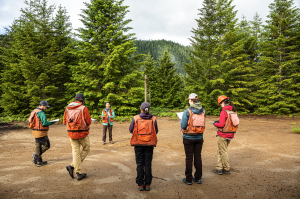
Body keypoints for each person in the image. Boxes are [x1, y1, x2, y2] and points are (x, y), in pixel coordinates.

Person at [129, 102, 158, 191]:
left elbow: (131, 130)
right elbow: (155, 131)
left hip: (138, 143)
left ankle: (140, 184)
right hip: (149, 144)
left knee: (139, 164)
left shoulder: (136, 118)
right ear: (149, 109)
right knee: (148, 163)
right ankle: (148, 184)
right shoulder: (153, 119)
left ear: (141, 109)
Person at [63, 93, 91, 181]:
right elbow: (89, 121)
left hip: (71, 133)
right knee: (86, 149)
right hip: (82, 133)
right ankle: (73, 167)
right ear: (83, 100)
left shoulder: (67, 108)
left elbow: (64, 122)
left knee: (76, 152)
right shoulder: (84, 108)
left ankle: (78, 172)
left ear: (75, 99)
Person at [181, 93, 205, 185]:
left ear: (191, 101)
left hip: (188, 138)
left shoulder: (187, 111)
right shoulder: (203, 111)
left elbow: (183, 125)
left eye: (189, 100)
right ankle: (198, 178)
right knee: (198, 157)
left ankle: (188, 179)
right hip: (199, 137)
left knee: (189, 158)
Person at [213, 95, 238, 175]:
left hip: (223, 134)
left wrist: (215, 123)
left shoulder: (224, 112)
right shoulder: (233, 111)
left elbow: (221, 125)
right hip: (231, 134)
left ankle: (226, 169)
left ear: (223, 102)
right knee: (220, 150)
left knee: (223, 151)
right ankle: (219, 168)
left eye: (220, 104)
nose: (220, 106)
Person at [28, 100, 55, 167]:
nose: (46, 108)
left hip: (34, 131)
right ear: (42, 105)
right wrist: (52, 122)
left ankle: (39, 161)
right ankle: (36, 156)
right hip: (41, 132)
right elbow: (44, 123)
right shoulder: (41, 113)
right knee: (47, 145)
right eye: (46, 107)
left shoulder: (34, 111)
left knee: (38, 145)